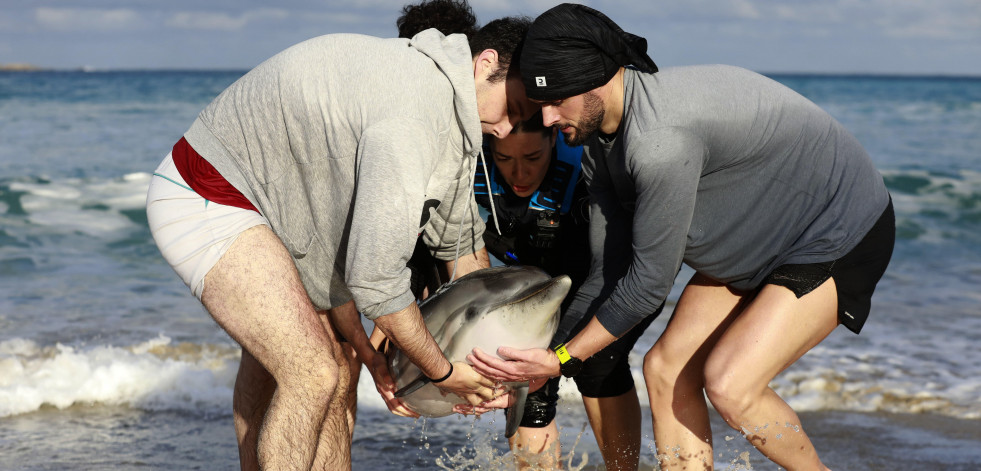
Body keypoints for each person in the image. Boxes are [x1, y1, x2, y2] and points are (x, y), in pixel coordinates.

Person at [470, 4, 895, 471]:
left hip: (836, 229)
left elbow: (647, 284)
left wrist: (561, 358)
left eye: (555, 102)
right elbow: (609, 268)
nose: (546, 119)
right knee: (665, 371)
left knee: (731, 384)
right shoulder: (595, 140)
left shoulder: (658, 143)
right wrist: (541, 360)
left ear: (594, 81)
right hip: (756, 239)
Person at [145, 7, 538, 470]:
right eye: (513, 110)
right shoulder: (412, 118)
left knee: (336, 364)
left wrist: (485, 363)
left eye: (526, 119)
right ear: (484, 63)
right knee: (311, 373)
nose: (509, 130)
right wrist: (444, 372)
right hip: (210, 193)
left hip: (286, 215)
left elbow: (462, 251)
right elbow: (374, 283)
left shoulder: (455, 117)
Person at [474, 115, 658, 470]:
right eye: (504, 159)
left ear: (553, 140)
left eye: (531, 158)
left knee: (596, 364)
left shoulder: (585, 173)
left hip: (611, 274)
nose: (519, 175)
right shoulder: (472, 165)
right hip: (535, 275)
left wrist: (557, 351)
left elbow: (616, 268)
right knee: (523, 374)